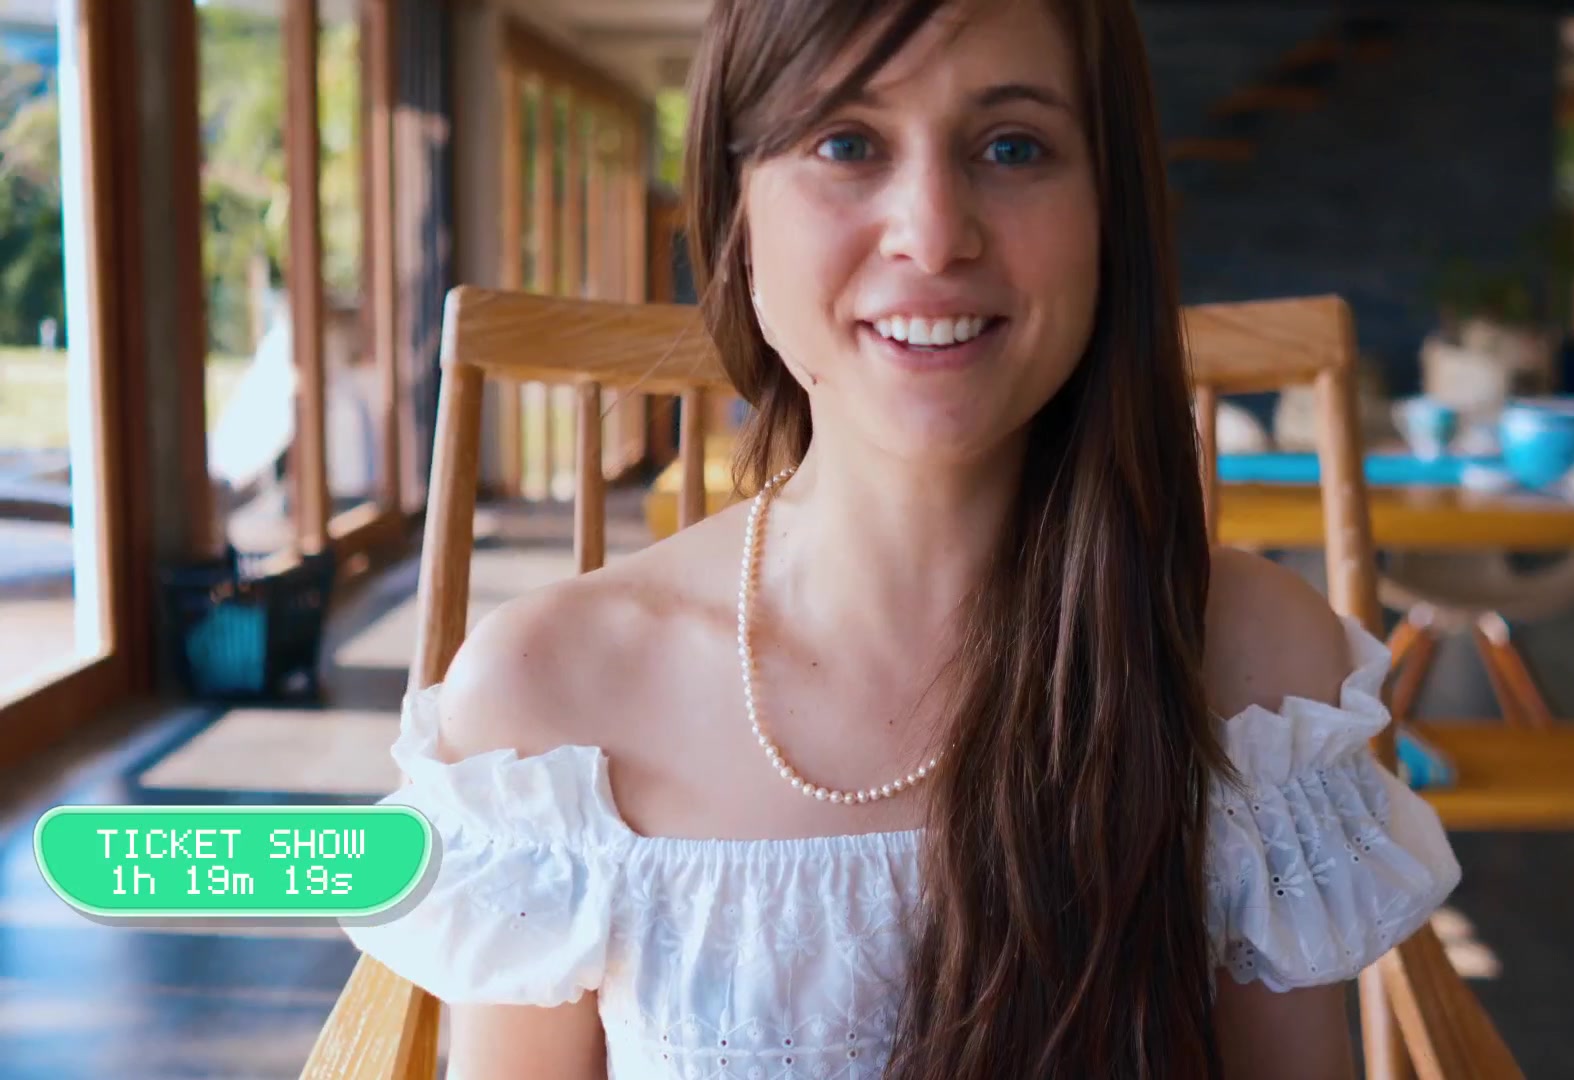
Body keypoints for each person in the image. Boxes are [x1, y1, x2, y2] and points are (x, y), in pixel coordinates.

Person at [343, 0, 1460, 1076]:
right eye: (846, 143)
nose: (933, 234)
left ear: (1109, 216)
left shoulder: (1256, 677)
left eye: (1013, 147)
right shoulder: (545, 708)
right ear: (735, 219)